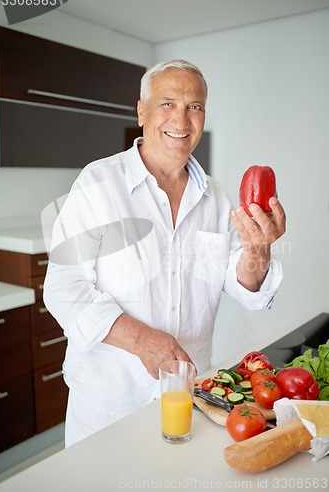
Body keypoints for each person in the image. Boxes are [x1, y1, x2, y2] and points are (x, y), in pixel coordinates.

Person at [43, 59, 286, 447]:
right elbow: (63, 288)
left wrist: (259, 248)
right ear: (141, 111)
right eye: (167, 103)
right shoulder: (98, 183)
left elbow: (246, 287)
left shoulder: (218, 198)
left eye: (195, 106)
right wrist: (141, 340)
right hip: (109, 407)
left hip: (187, 400)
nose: (182, 120)